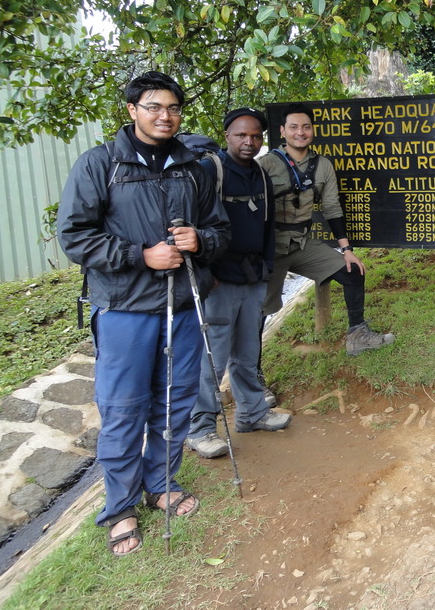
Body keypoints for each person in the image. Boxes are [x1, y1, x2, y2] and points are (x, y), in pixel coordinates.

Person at [57, 71, 230, 555]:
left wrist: (201, 240)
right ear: (132, 110)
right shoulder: (100, 164)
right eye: (154, 106)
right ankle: (120, 507)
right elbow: (74, 236)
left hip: (183, 305)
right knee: (123, 408)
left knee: (174, 401)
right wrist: (140, 255)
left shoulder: (194, 167)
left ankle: (162, 484)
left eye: (172, 107)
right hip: (125, 309)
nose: (164, 116)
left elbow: (220, 231)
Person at [186, 108, 291, 460]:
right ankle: (199, 428)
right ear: (227, 135)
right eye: (241, 135)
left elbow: (267, 226)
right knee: (212, 359)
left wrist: (267, 267)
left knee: (247, 352)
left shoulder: (260, 175)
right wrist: (206, 275)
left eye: (256, 136)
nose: (249, 142)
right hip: (218, 282)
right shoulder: (208, 171)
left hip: (253, 276)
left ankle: (252, 413)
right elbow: (190, 227)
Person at [259, 103, 394, 355]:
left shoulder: (323, 165)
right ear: (283, 131)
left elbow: (332, 208)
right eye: (294, 127)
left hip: (301, 244)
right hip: (271, 247)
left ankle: (357, 336)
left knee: (353, 272)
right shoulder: (265, 164)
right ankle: (252, 370)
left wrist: (347, 250)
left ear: (312, 130)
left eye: (306, 127)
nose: (300, 132)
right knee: (259, 309)